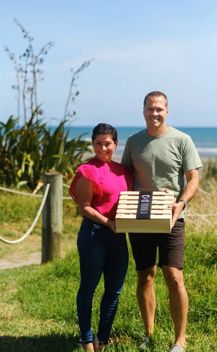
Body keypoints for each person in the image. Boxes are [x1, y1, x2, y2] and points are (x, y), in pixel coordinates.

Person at [121, 91, 202, 352]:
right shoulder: (133, 142)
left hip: (172, 217)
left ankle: (180, 340)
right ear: (143, 110)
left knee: (174, 276)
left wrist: (181, 203)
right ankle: (149, 334)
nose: (154, 113)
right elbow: (124, 178)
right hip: (140, 218)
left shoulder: (182, 140)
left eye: (159, 109)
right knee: (145, 275)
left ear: (167, 111)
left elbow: (193, 179)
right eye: (150, 109)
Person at [69, 123, 132, 352]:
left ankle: (103, 339)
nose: (102, 148)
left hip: (118, 237)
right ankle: (86, 339)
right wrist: (109, 224)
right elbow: (84, 208)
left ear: (115, 144)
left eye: (107, 143)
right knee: (89, 286)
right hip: (94, 234)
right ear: (92, 144)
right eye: (98, 143)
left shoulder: (124, 171)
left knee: (114, 289)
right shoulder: (87, 170)